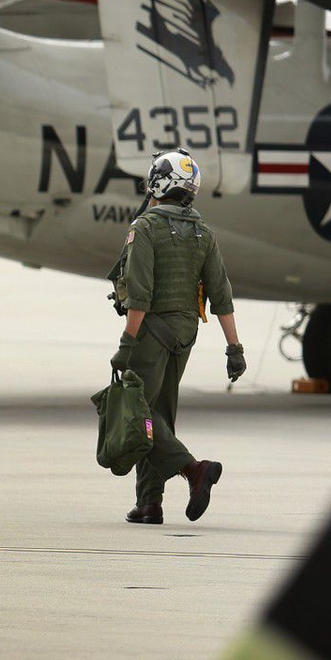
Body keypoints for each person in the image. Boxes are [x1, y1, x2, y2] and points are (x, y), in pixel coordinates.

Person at [108, 148, 245, 525]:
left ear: (157, 182)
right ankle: (149, 503)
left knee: (138, 413)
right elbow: (221, 295)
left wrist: (126, 345)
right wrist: (234, 348)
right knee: (159, 415)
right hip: (185, 334)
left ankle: (193, 469)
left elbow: (140, 295)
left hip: (151, 332)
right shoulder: (204, 233)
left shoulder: (145, 228)